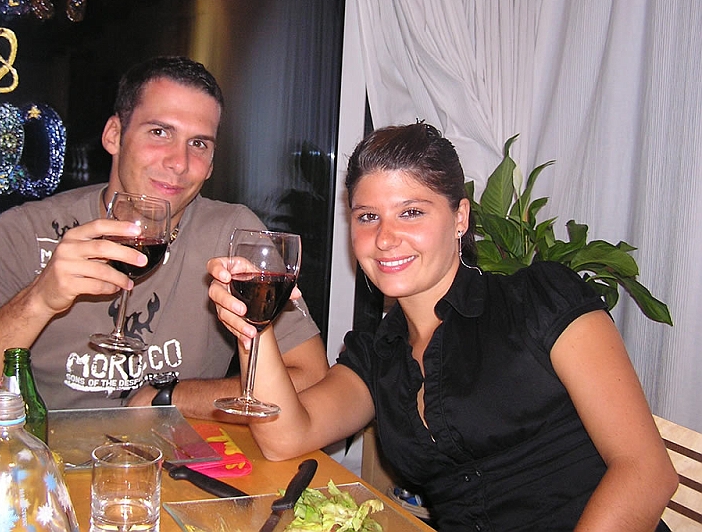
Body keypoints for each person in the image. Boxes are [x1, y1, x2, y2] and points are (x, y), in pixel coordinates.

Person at [207, 122, 678, 532]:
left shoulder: (539, 300)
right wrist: (254, 327)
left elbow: (647, 473)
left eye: (411, 212)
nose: (385, 238)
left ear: (460, 218)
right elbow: (285, 436)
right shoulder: (378, 353)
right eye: (368, 217)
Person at [0, 56, 328, 428]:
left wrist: (172, 397)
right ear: (113, 135)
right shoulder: (22, 232)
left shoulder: (232, 235)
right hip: (50, 468)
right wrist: (39, 300)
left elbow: (310, 375)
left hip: (176, 467)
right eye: (159, 132)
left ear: (212, 163)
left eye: (198, 144)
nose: (179, 162)